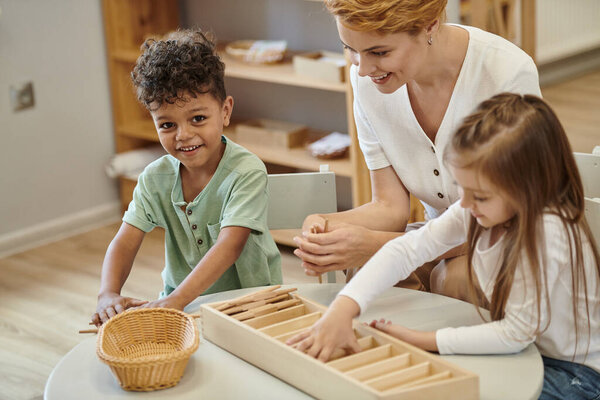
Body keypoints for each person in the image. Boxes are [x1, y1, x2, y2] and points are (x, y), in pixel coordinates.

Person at [288, 93, 600, 399]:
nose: (464, 204)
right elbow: (407, 250)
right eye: (462, 188)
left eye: (479, 195)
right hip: (523, 352)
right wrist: (343, 309)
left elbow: (515, 334)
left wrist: (423, 340)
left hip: (574, 374)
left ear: (528, 188)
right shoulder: (478, 208)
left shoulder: (549, 232)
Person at [294, 0, 541, 294]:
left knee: (456, 277)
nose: (362, 70)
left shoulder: (504, 72)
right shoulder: (368, 82)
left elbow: (501, 219)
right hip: (439, 236)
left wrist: (373, 244)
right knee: (368, 265)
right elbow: (390, 206)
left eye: (380, 52)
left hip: (508, 232)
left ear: (430, 25)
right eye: (350, 49)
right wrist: (325, 224)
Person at [91, 29, 282, 326]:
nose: (184, 135)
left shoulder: (246, 172)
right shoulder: (154, 179)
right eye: (167, 124)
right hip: (182, 306)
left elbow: (229, 246)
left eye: (198, 118)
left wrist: (176, 300)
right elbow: (125, 241)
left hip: (253, 306)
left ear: (226, 111)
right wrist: (107, 293)